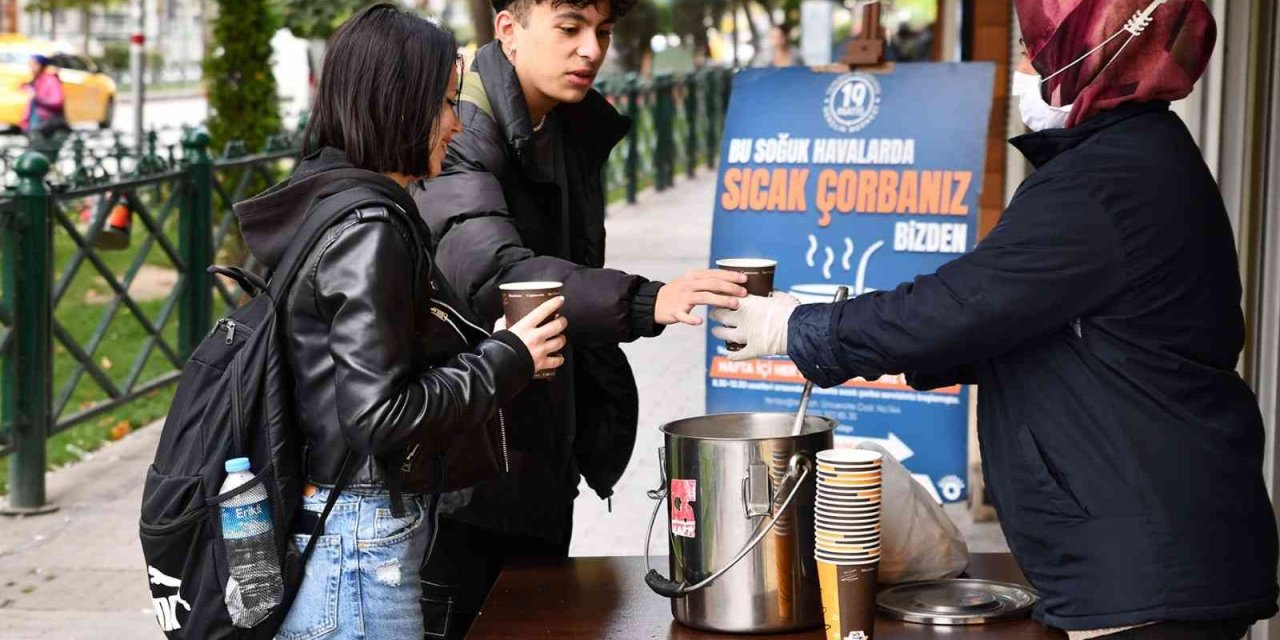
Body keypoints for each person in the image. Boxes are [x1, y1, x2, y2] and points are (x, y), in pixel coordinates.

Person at [714, 1, 1279, 638]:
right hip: (1160, 550)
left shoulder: (1102, 183)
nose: (1028, 66)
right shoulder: (1138, 158)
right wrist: (837, 327)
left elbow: (961, 306)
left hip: (1149, 566)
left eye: (1035, 48)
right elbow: (1005, 323)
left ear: (1092, 57)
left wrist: (799, 329)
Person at [410, 0, 748, 636]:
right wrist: (648, 300)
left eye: (603, 32)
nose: (591, 49)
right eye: (569, 28)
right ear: (509, 31)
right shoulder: (460, 128)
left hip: (537, 445)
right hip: (463, 467)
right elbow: (495, 276)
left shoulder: (566, 125)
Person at [232, 5, 567, 639]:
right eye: (445, 104)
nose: (456, 123)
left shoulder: (325, 196)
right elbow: (378, 415)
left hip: (331, 522)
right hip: (358, 543)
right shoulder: (371, 230)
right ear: (400, 108)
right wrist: (510, 356)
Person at [22, 53, 68, 161]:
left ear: (40, 65)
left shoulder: (50, 80)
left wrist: (38, 98)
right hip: (34, 125)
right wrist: (24, 122)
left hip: (47, 126)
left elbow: (57, 101)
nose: (30, 67)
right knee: (34, 157)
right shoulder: (34, 80)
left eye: (33, 64)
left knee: (43, 158)